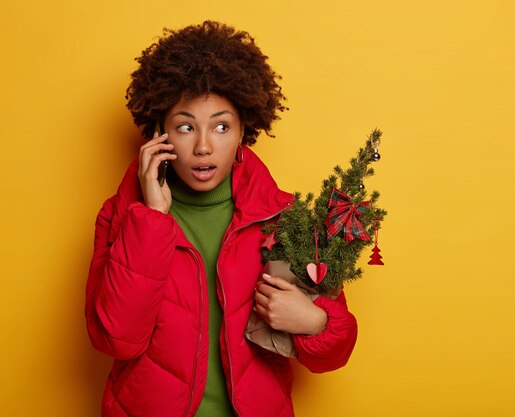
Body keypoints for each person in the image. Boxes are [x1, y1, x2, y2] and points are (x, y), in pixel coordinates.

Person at [86, 21, 358, 417]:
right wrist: (151, 218)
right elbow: (115, 339)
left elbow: (333, 354)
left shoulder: (285, 219)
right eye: (184, 127)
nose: (202, 146)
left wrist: (315, 322)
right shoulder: (123, 214)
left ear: (244, 127)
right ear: (158, 132)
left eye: (220, 126)